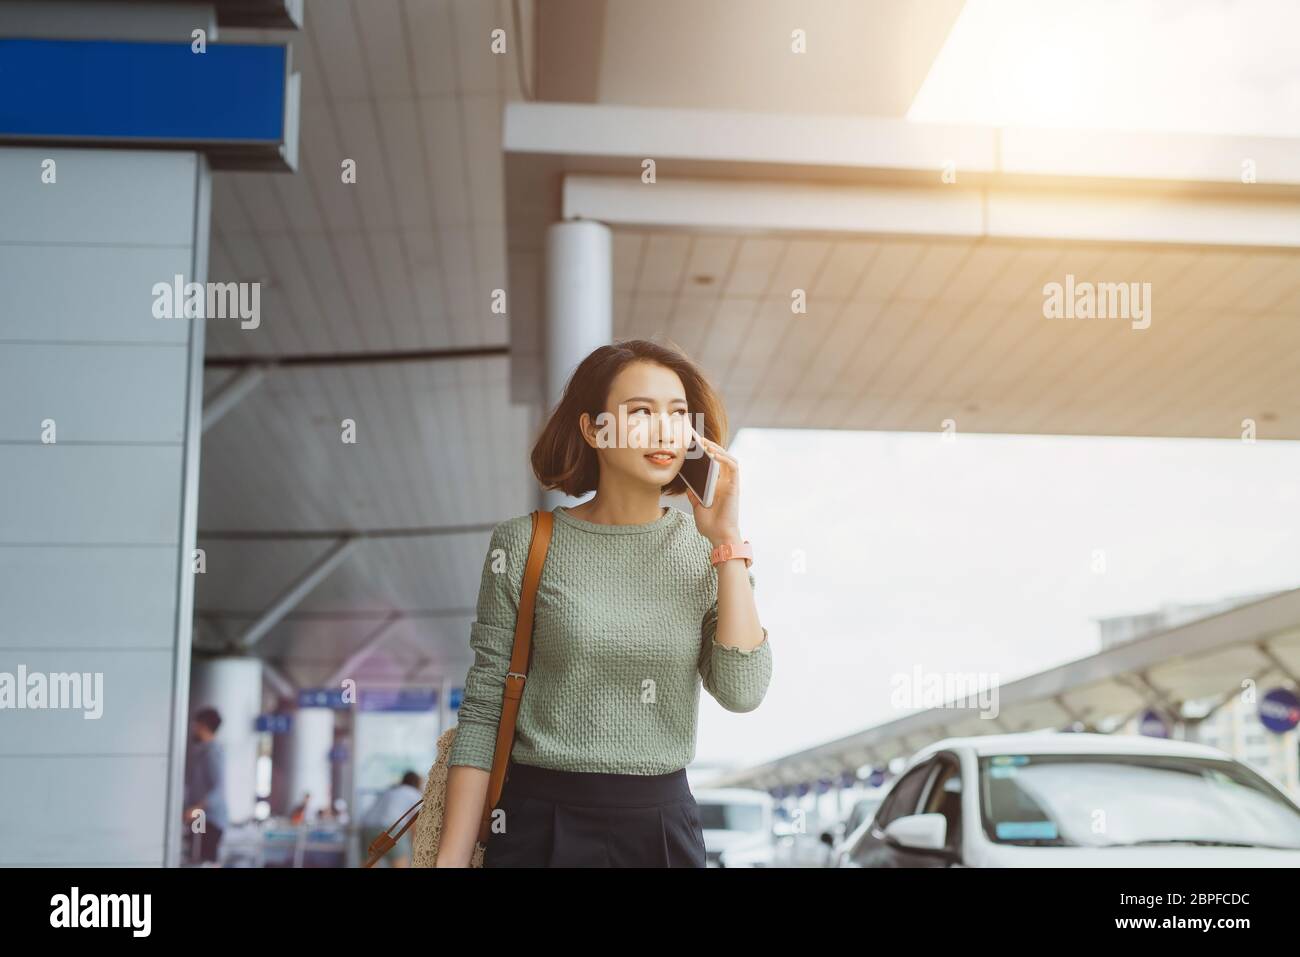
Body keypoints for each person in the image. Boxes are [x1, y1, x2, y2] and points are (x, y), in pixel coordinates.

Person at [436, 338, 773, 867]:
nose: (666, 429)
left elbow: (743, 691)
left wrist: (726, 540)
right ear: (593, 429)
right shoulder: (523, 544)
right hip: (537, 826)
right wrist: (448, 863)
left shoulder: (705, 551)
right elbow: (482, 712)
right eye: (641, 411)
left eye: (679, 414)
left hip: (661, 830)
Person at [183, 707, 229, 865]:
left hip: (209, 820)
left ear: (203, 725)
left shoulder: (213, 752)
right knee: (196, 857)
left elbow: (218, 789)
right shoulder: (201, 751)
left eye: (196, 724)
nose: (194, 728)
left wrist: (195, 809)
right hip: (201, 818)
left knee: (205, 860)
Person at [360, 771, 423, 867]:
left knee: (369, 863)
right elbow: (414, 825)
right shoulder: (413, 793)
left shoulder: (390, 790)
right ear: (417, 783)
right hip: (391, 828)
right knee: (400, 864)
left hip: (368, 827)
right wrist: (417, 849)